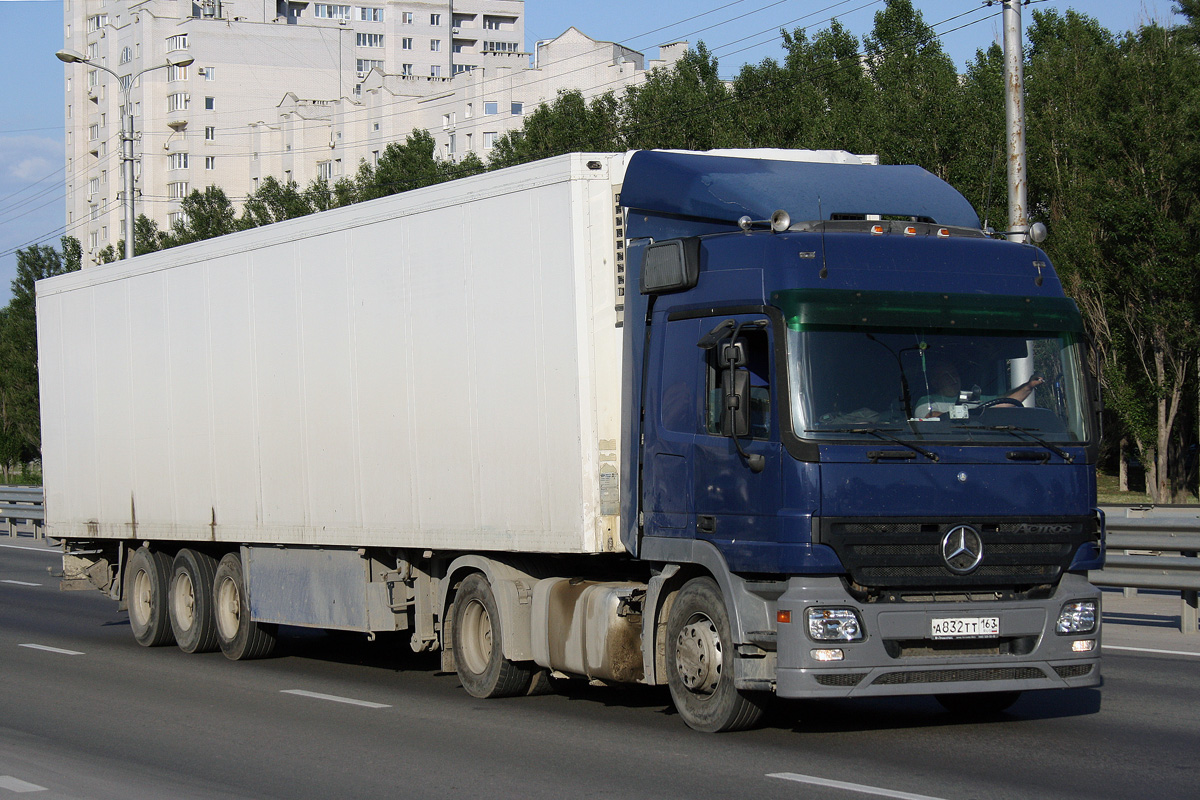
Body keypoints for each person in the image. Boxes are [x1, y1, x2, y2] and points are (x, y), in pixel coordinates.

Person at [914, 358, 1044, 419]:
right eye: (945, 376)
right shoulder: (927, 401)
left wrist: (1028, 386)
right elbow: (930, 417)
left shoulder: (971, 397)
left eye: (954, 374)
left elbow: (1004, 402)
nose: (953, 379)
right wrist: (974, 418)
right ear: (935, 382)